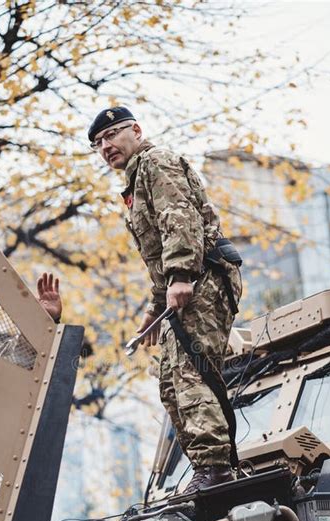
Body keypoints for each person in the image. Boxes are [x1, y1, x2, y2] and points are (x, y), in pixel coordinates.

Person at [87, 107, 242, 493]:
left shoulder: (155, 162)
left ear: (135, 131)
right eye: (98, 143)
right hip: (187, 279)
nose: (105, 147)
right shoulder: (135, 181)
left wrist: (181, 276)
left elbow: (181, 220)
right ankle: (206, 469)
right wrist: (155, 308)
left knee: (191, 372)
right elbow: (159, 252)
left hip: (204, 275)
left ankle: (217, 468)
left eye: (111, 135)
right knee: (170, 384)